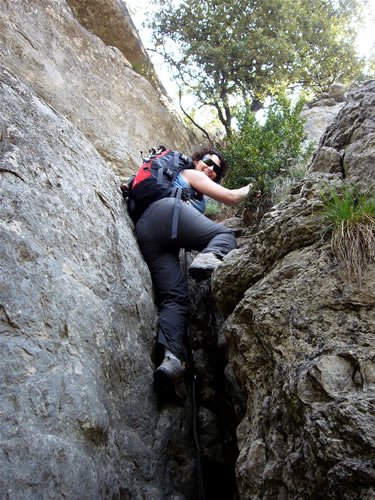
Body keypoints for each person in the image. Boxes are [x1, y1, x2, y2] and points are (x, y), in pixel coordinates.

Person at [132, 147, 252, 392]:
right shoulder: (190, 173)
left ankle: (171, 360)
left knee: (176, 298)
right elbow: (231, 197)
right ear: (196, 160)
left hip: (148, 231)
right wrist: (256, 186)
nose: (211, 169)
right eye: (208, 162)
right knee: (225, 235)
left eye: (216, 170)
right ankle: (208, 258)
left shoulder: (191, 185)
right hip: (168, 213)